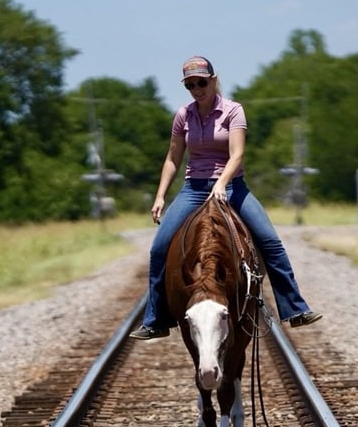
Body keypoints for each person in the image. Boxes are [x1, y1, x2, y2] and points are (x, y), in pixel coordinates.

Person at [129, 55, 322, 340]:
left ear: (214, 80)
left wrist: (222, 182)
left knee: (270, 241)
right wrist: (160, 196)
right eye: (190, 85)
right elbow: (172, 157)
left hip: (232, 187)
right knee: (159, 248)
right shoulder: (184, 115)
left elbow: (237, 154)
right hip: (193, 188)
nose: (197, 88)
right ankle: (156, 318)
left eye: (201, 82)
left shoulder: (233, 111)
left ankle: (294, 307)